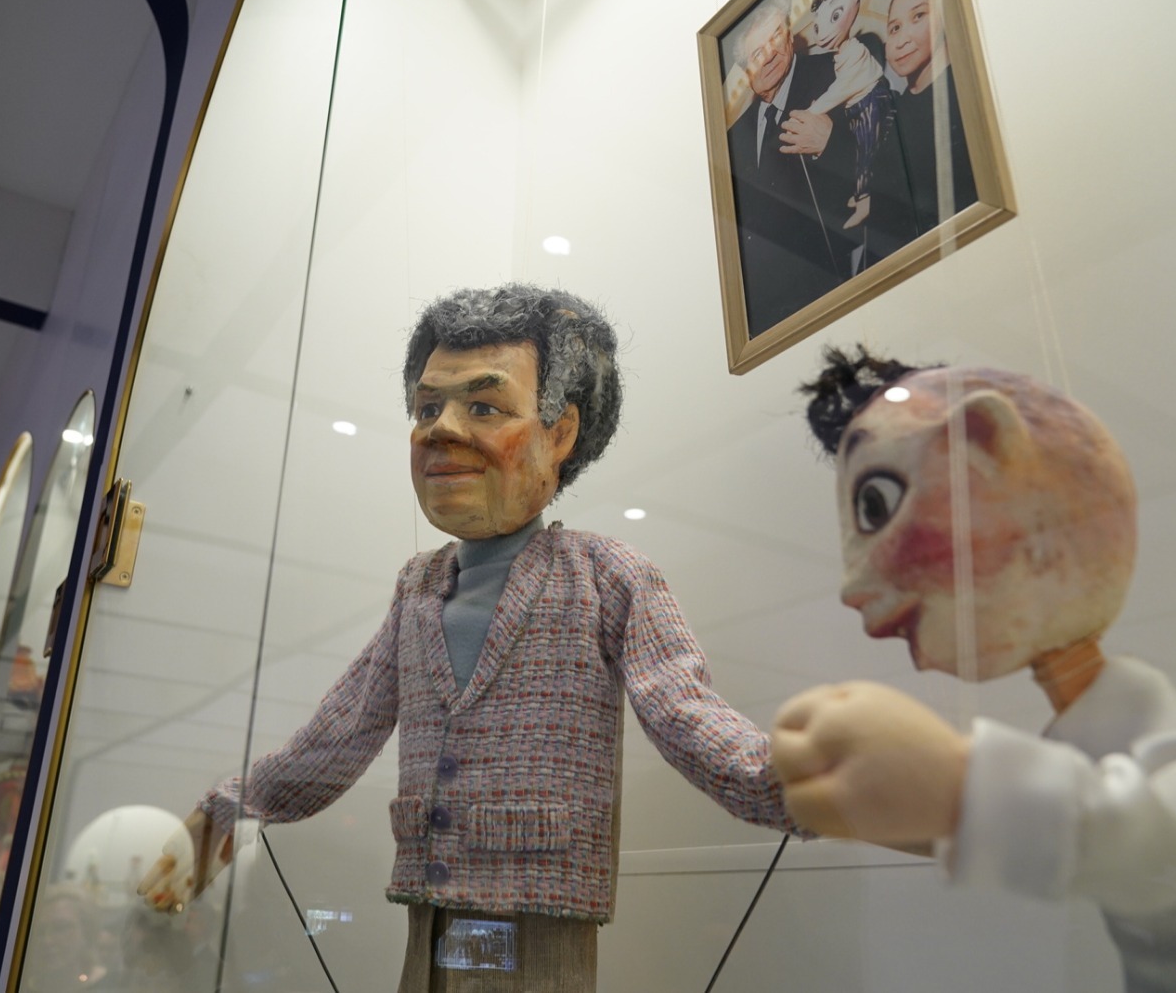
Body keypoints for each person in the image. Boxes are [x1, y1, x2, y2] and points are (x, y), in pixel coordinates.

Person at [140, 285, 800, 992]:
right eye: (427, 409)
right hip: (428, 909)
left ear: (561, 433)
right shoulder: (417, 587)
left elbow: (681, 710)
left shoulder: (608, 576)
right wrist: (228, 812)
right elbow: (340, 732)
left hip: (540, 910)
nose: (440, 430)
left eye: (484, 407)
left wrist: (798, 785)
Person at [772, 346, 1176, 992]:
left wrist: (958, 786)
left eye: (878, 504)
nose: (851, 590)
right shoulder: (1091, 765)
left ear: (990, 444)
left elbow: (1154, 843)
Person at [725, 0, 859, 338]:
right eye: (757, 54)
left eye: (775, 38)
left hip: (839, 290)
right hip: (768, 316)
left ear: (789, 35)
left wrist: (831, 143)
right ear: (745, 71)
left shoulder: (836, 71)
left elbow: (885, 160)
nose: (771, 54)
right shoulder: (733, 139)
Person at [863, 0, 978, 256]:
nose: (901, 40)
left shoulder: (966, 87)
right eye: (894, 28)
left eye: (918, 16)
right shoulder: (893, 113)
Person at [803, 0, 895, 231]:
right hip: (859, 107)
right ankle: (862, 193)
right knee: (858, 152)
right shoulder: (844, 53)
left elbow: (842, 89)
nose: (822, 33)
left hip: (870, 105)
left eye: (835, 16)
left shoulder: (855, 52)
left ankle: (864, 203)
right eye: (817, 27)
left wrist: (814, 109)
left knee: (865, 153)